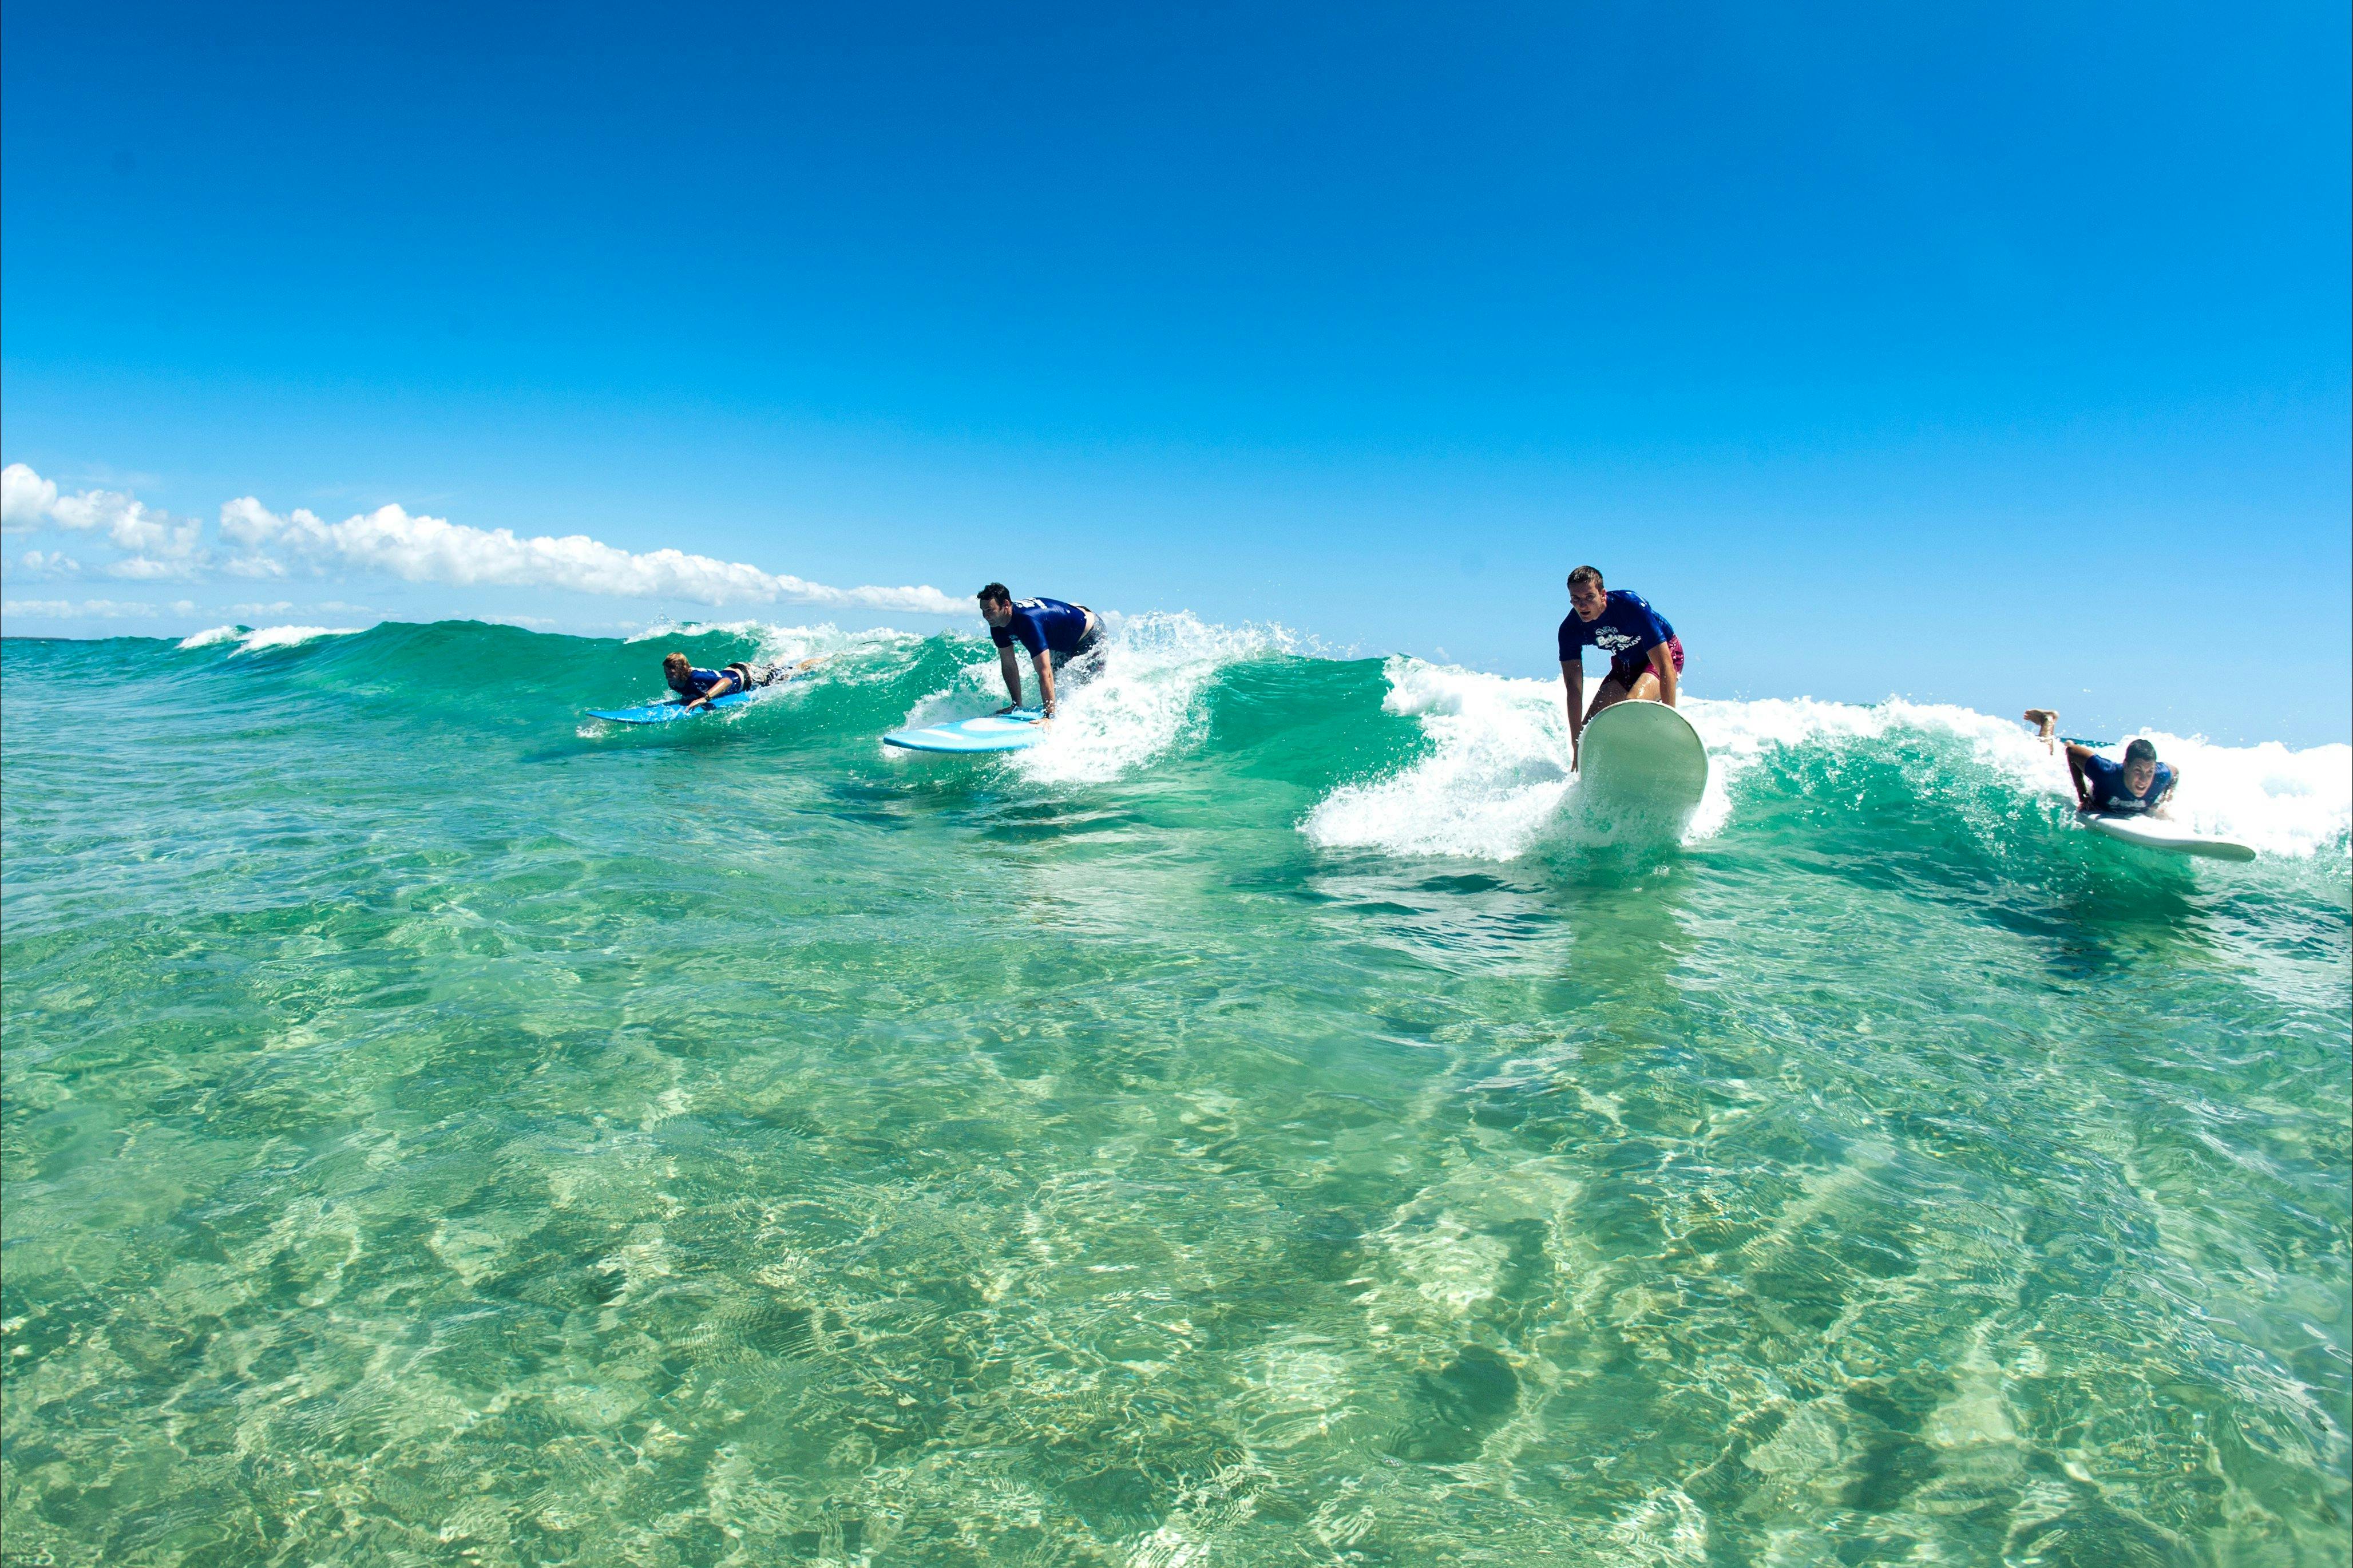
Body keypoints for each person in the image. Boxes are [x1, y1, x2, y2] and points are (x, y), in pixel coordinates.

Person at [1556, 564, 1683, 772]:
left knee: (1631, 706)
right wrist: (1576, 744)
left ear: (1602, 595)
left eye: (1589, 597)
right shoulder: (1570, 630)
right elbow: (1574, 689)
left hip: (1664, 655)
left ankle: (1648, 758)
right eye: (1576, 599)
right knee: (1590, 732)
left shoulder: (1630, 606)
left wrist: (1671, 725)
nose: (1583, 605)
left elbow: (1665, 665)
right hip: (1626, 664)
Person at [977, 584, 1103, 717]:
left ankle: (1056, 713)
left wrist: (1049, 716)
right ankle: (1034, 706)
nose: (985, 616)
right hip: (1062, 638)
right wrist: (1016, 705)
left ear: (1006, 605)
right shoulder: (997, 624)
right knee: (1060, 683)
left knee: (1088, 690)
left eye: (990, 610)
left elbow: (1045, 673)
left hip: (1090, 635)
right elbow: (1009, 665)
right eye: (983, 610)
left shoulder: (1028, 622)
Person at [2025, 710, 2178, 817]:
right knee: (2044, 759)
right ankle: (2048, 720)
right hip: (2086, 770)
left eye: (2149, 772)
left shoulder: (2160, 775)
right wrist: (2083, 797)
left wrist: (2165, 803)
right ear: (2126, 766)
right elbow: (2072, 752)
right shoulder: (2106, 773)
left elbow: (2175, 772)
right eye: (2138, 771)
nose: (2144, 779)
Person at [661, 652, 823, 712]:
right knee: (770, 669)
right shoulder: (674, 682)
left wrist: (705, 698)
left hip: (750, 678)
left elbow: (726, 682)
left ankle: (825, 660)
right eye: (666, 672)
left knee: (792, 672)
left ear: (682, 669)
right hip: (737, 671)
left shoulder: (696, 676)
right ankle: (782, 657)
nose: (668, 675)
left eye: (672, 671)